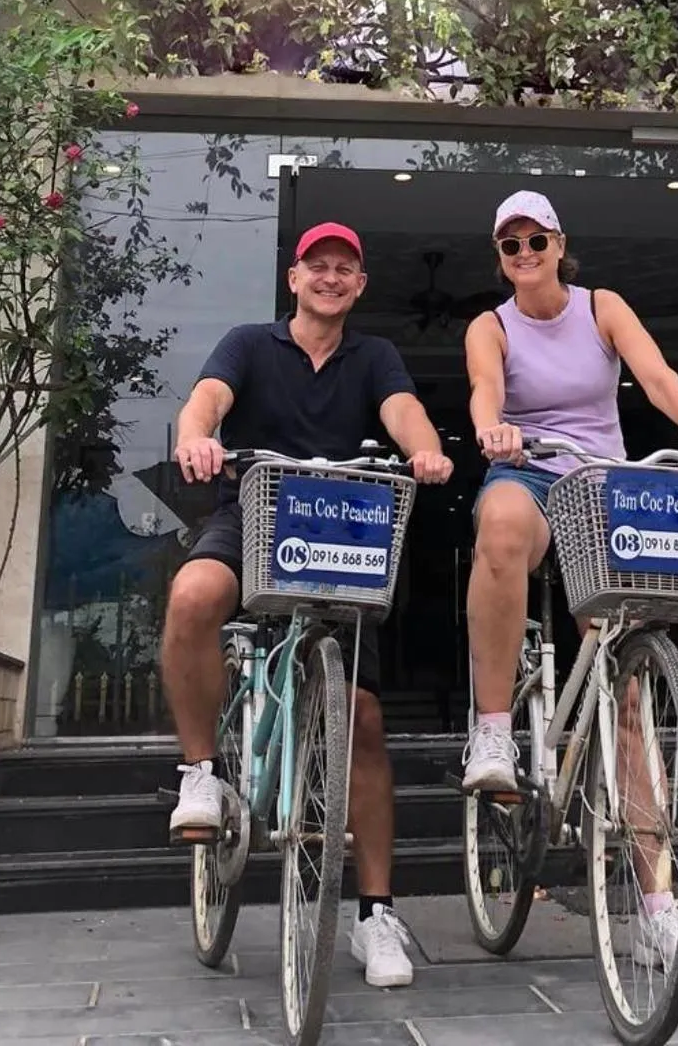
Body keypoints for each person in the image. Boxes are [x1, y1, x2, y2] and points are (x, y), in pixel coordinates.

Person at [461, 190, 678, 977]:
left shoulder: (601, 308)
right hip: (528, 470)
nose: (524, 253)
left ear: (560, 243)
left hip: (600, 485)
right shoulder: (490, 325)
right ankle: (494, 727)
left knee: (628, 702)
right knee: (503, 530)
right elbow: (485, 387)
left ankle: (660, 909)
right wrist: (494, 426)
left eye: (536, 239)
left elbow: (657, 380)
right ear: (501, 255)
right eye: (509, 244)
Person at [161, 221, 453, 990]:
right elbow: (205, 403)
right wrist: (196, 438)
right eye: (317, 266)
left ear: (359, 287)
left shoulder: (376, 356)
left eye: (344, 270)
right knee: (193, 596)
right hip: (253, 514)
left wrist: (424, 448)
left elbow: (403, 414)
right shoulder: (250, 344)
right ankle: (200, 771)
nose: (330, 277)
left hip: (341, 531)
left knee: (362, 718)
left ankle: (377, 916)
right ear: (294, 278)